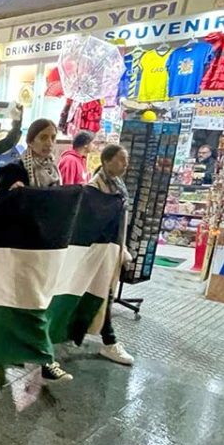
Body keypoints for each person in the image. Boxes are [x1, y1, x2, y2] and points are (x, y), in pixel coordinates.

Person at [0, 118, 72, 383]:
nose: (48, 143)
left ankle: (28, 353)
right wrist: (15, 195)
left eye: (52, 137)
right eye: (43, 137)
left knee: (39, 303)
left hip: (46, 249)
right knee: (28, 303)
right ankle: (45, 360)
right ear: (30, 140)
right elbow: (1, 206)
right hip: (20, 251)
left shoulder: (54, 170)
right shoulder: (14, 170)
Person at [88, 144, 135, 366]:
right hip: (99, 252)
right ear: (106, 161)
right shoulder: (95, 187)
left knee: (102, 295)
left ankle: (107, 339)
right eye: (121, 159)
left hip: (112, 249)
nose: (125, 164)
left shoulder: (117, 185)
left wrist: (122, 249)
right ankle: (109, 340)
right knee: (103, 295)